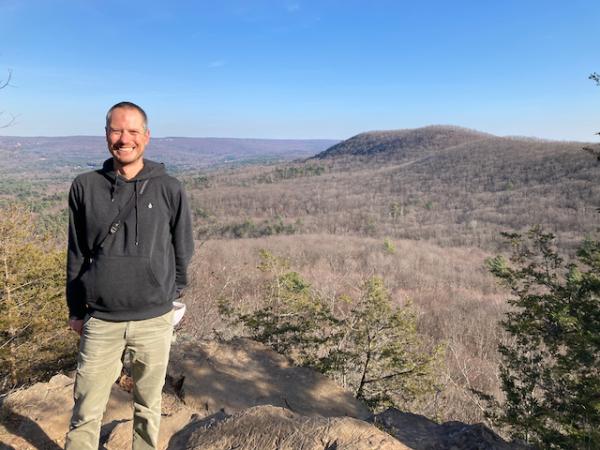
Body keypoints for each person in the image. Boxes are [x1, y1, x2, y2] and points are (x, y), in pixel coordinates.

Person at [65, 101, 194, 450]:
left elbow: (183, 251)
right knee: (86, 410)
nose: (125, 139)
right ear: (106, 135)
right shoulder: (85, 187)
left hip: (154, 318)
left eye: (133, 131)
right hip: (101, 319)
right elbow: (77, 252)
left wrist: (167, 295)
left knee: (148, 407)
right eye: (117, 130)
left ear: (146, 137)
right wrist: (76, 310)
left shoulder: (169, 188)